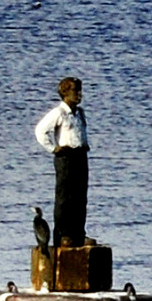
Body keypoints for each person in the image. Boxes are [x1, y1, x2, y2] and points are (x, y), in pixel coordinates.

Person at [34, 77, 88, 246]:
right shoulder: (59, 112)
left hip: (81, 155)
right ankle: (63, 235)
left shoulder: (80, 112)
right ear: (65, 93)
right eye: (75, 91)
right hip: (65, 157)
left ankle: (79, 234)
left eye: (80, 91)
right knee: (65, 197)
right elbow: (40, 131)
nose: (79, 95)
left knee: (80, 197)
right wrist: (53, 148)